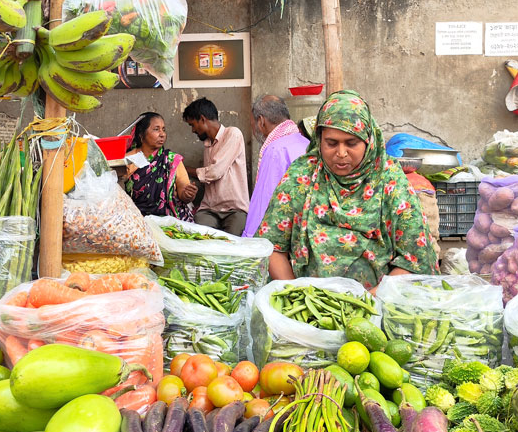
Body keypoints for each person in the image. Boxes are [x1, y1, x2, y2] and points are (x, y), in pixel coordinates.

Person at [256, 90, 439, 290]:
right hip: (306, 309)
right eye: (331, 143)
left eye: (352, 143)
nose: (341, 153)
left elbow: (415, 258)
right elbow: (272, 245)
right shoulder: (302, 176)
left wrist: (365, 303)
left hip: (374, 310)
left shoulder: (389, 182)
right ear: (319, 139)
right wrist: (297, 296)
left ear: (368, 140)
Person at [243, 95, 310, 238]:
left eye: (252, 124)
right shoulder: (305, 143)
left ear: (261, 121)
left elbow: (264, 202)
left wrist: (249, 239)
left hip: (280, 236)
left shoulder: (275, 150)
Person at [182, 97, 249, 236]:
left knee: (232, 246)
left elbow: (214, 172)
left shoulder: (233, 134)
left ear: (202, 119)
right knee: (202, 238)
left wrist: (183, 168)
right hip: (209, 209)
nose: (193, 130)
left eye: (193, 125)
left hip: (234, 209)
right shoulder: (207, 144)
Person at [123, 112, 197, 221]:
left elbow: (183, 191)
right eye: (156, 129)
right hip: (138, 221)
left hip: (171, 221)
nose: (162, 134)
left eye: (163, 129)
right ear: (141, 135)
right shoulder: (127, 160)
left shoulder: (172, 160)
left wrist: (188, 195)